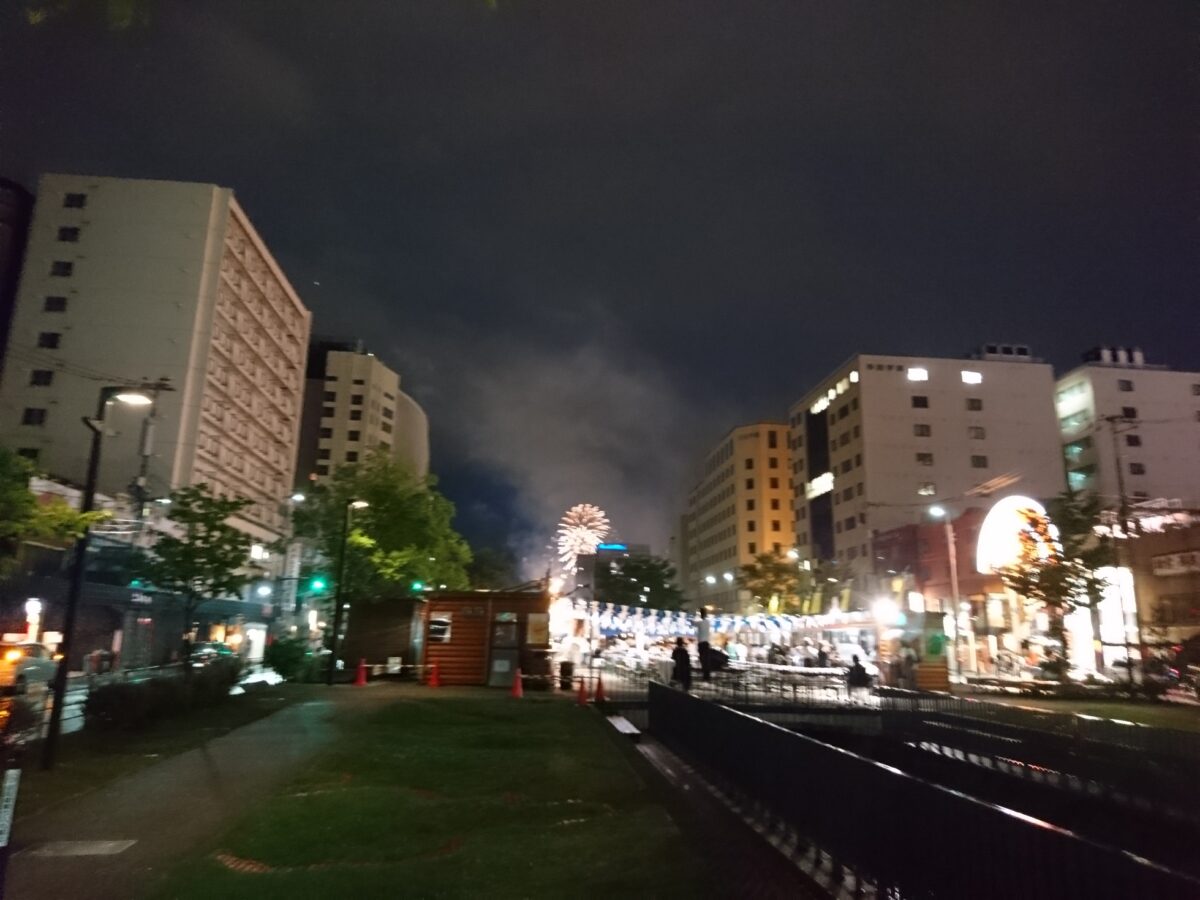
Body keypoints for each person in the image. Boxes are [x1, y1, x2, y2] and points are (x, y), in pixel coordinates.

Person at [696, 608, 712, 681]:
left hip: (701, 644)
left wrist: (697, 614)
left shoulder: (700, 623)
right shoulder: (708, 622)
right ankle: (707, 676)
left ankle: (705, 676)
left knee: (703, 660)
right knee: (707, 660)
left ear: (701, 614)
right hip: (706, 643)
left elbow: (693, 622)